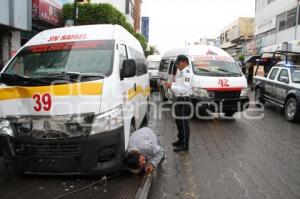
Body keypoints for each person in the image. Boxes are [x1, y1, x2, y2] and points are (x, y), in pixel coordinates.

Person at [165, 55, 192, 152]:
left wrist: (171, 86)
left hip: (184, 100)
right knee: (179, 122)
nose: (177, 65)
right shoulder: (181, 73)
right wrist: (171, 85)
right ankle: (181, 140)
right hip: (179, 99)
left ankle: (185, 145)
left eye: (178, 63)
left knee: (184, 124)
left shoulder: (187, 73)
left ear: (184, 62)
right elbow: (177, 85)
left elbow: (185, 89)